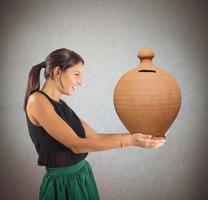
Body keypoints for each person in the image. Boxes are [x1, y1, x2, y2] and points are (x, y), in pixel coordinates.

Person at [23, 48, 166, 200]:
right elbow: (76, 145)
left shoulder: (61, 105)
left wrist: (142, 135)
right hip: (62, 183)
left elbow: (95, 137)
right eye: (76, 74)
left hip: (82, 175)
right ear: (58, 71)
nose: (81, 82)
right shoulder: (37, 101)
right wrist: (130, 141)